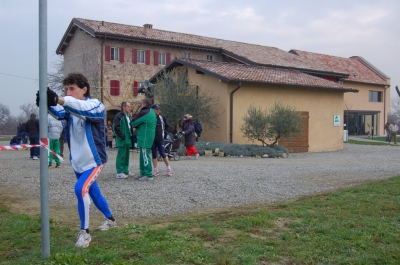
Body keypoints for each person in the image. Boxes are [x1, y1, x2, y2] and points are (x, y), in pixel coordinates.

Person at [43, 73, 116, 248]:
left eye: (72, 88)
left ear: (84, 89)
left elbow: (81, 109)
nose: (68, 92)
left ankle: (85, 233)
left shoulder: (95, 105)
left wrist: (59, 99)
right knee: (94, 193)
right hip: (77, 162)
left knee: (80, 189)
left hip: (94, 160)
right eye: (66, 89)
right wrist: (45, 103)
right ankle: (111, 220)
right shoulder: (69, 108)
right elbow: (57, 110)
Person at [131, 98, 156, 181]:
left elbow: (133, 122)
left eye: (141, 103)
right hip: (148, 136)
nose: (141, 105)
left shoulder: (144, 112)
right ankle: (143, 173)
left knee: (145, 156)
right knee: (143, 155)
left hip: (145, 137)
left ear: (144, 104)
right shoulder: (152, 111)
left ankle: (148, 174)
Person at [113, 101, 133, 179]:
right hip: (122, 139)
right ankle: (119, 171)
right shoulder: (118, 116)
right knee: (121, 155)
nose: (129, 108)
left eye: (130, 106)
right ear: (123, 107)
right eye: (128, 106)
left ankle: (125, 170)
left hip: (128, 138)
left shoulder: (128, 116)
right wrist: (122, 136)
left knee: (126, 156)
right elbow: (116, 127)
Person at [151, 104, 172, 177]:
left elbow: (167, 126)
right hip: (152, 139)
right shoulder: (150, 117)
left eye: (159, 109)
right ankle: (156, 170)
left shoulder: (162, 117)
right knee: (154, 155)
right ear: (153, 110)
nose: (158, 111)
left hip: (160, 139)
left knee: (163, 153)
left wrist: (165, 134)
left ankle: (169, 169)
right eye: (157, 109)